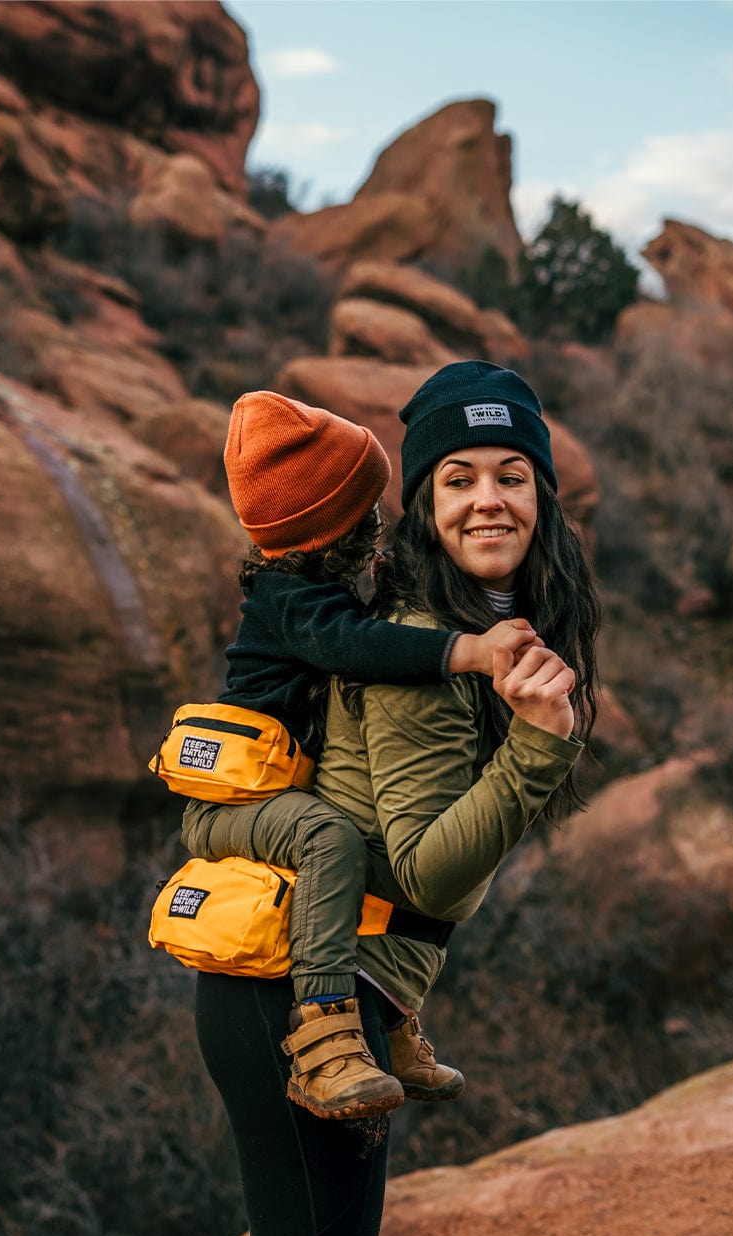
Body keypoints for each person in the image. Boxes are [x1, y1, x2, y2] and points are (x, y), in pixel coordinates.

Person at [192, 360, 601, 1236]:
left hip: (310, 992)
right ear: (421, 504)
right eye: (458, 479)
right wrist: (537, 747)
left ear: (544, 495)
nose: (488, 500)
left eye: (512, 475)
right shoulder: (418, 645)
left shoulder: (456, 626)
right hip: (299, 1006)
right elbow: (424, 873)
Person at [180, 389, 535, 1120]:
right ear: (329, 527)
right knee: (332, 837)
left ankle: (395, 1026)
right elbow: (357, 648)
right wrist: (467, 649)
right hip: (228, 813)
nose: (382, 522)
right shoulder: (294, 602)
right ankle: (325, 1038)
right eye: (368, 510)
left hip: (269, 796)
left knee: (369, 848)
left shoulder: (313, 589)